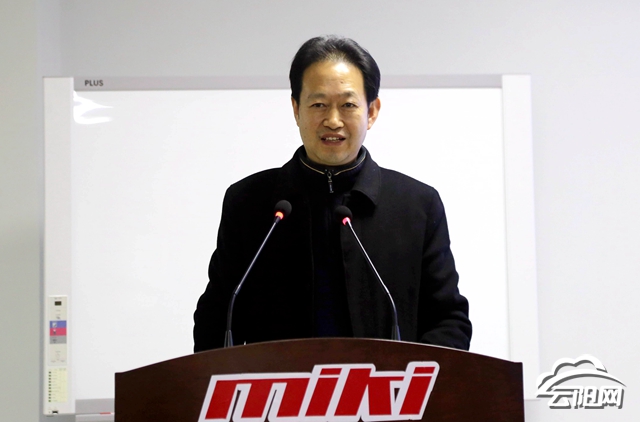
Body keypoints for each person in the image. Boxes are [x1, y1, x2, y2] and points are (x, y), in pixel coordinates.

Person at [193, 36, 471, 352]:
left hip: (384, 384)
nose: (333, 120)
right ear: (296, 109)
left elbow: (448, 320)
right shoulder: (250, 202)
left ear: (372, 111)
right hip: (280, 384)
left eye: (348, 105)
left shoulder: (416, 205)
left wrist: (408, 377)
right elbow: (217, 316)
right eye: (319, 104)